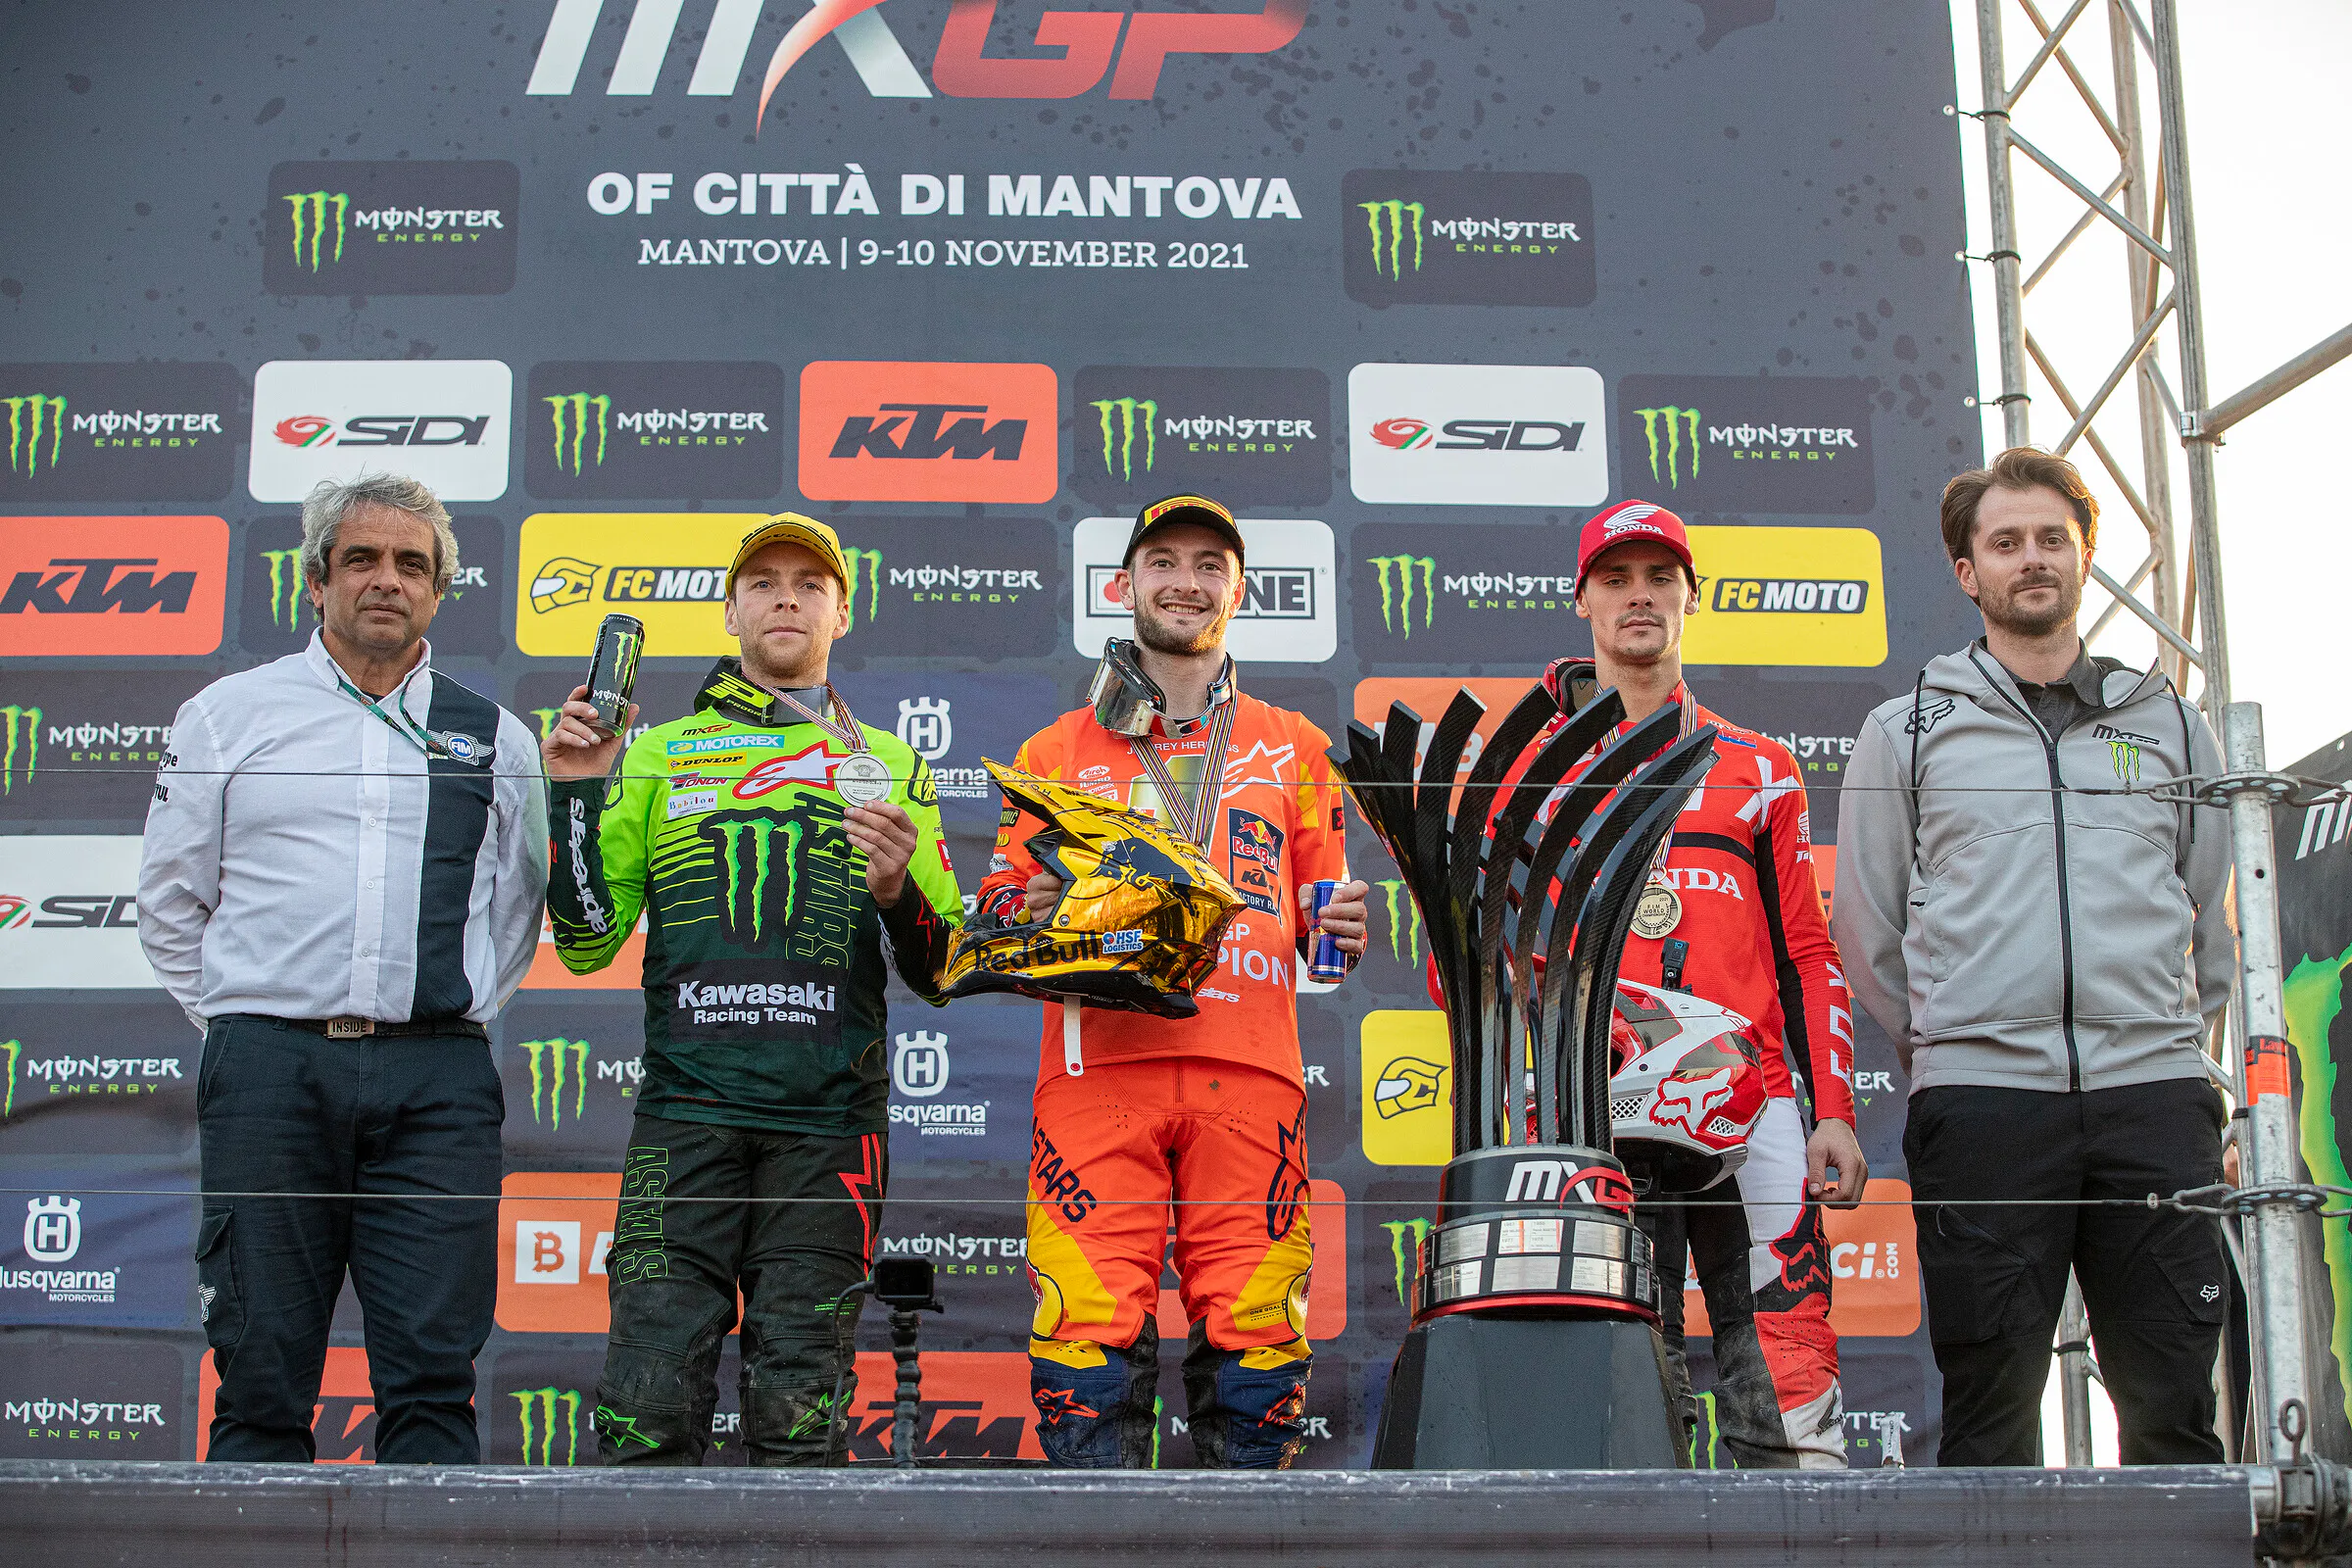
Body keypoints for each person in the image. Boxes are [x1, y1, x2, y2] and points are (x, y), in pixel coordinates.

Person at [1835, 447, 2232, 1466]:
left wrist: (2172, 1038)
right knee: (1989, 1419)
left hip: (2154, 1096)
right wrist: (1955, 1050)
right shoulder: (1909, 728)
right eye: (2005, 542)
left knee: (2177, 1414)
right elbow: (1868, 933)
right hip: (1985, 1108)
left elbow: (2209, 910)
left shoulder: (2168, 718)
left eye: (2052, 538)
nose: (2032, 558)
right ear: (1968, 574)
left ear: (2085, 554)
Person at [138, 473, 547, 1463]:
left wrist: (437, 1017)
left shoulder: (496, 737)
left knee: (433, 1386)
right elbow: (169, 904)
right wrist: (252, 1020)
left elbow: (515, 914)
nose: (386, 580)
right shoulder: (228, 715)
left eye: (412, 564)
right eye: (360, 558)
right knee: (261, 1376)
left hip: (437, 1084)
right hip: (269, 1078)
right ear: (314, 580)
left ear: (439, 592)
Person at [541, 513, 962, 1466]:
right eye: (763, 580)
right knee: (643, 1410)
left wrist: (896, 891)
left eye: (808, 583)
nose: (784, 595)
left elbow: (942, 973)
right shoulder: (658, 751)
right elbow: (581, 937)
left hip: (828, 1131)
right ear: (729, 610)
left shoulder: (889, 762)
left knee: (800, 1418)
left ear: (841, 613)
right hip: (685, 1122)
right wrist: (574, 790)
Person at [1465, 498, 1866, 1469]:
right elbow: (1479, 962)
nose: (1638, 597)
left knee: (1786, 1367)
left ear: (1691, 597)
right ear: (1582, 603)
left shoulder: (1760, 767)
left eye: (1658, 579)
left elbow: (1808, 951)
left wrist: (1835, 1109)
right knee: (1622, 1383)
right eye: (1616, 579)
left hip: (1755, 1104)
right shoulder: (1533, 776)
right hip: (1594, 1106)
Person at [975, 494, 1367, 1469]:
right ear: (1126, 584)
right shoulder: (1054, 753)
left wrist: (1340, 934)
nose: (1185, 581)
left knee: (1259, 1332)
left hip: (1252, 1078)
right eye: (1163, 562)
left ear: (1239, 588)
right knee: (1085, 1333)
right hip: (1097, 1078)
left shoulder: (1299, 746)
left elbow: (1325, 945)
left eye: (1208, 564)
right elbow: (998, 912)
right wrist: (1040, 918)